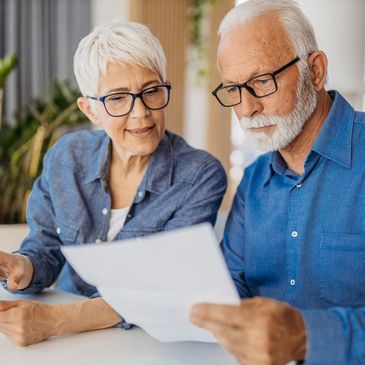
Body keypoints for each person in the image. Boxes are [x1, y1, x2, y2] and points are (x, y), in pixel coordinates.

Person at [0, 20, 227, 346]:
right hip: (66, 343)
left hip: (147, 344)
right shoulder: (66, 157)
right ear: (90, 109)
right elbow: (46, 248)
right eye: (118, 98)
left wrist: (55, 321)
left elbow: (162, 290)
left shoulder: (200, 176)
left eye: (151, 91)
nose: (141, 113)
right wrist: (20, 266)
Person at [189, 1, 365, 364]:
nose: (246, 109)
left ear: (315, 71)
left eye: (261, 82)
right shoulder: (253, 184)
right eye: (233, 89)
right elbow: (229, 291)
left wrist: (306, 337)